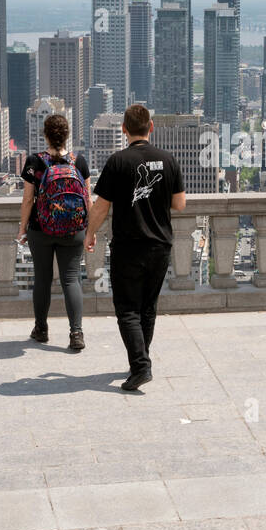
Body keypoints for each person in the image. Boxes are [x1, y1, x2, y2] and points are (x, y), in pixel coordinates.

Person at [84, 104, 185, 391]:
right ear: (150, 128)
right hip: (160, 245)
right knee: (147, 308)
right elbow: (179, 204)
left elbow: (101, 206)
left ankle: (141, 366)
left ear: (124, 129)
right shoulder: (168, 160)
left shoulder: (118, 161)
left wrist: (90, 233)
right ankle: (141, 361)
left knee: (127, 308)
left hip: (128, 247)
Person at [19, 113, 90, 350]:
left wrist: (23, 228)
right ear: (67, 134)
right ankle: (76, 333)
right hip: (74, 229)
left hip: (42, 228)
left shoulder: (35, 162)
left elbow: (28, 200)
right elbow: (86, 198)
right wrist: (89, 228)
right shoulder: (78, 161)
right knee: (71, 279)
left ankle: (41, 328)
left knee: (43, 278)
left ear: (45, 135)